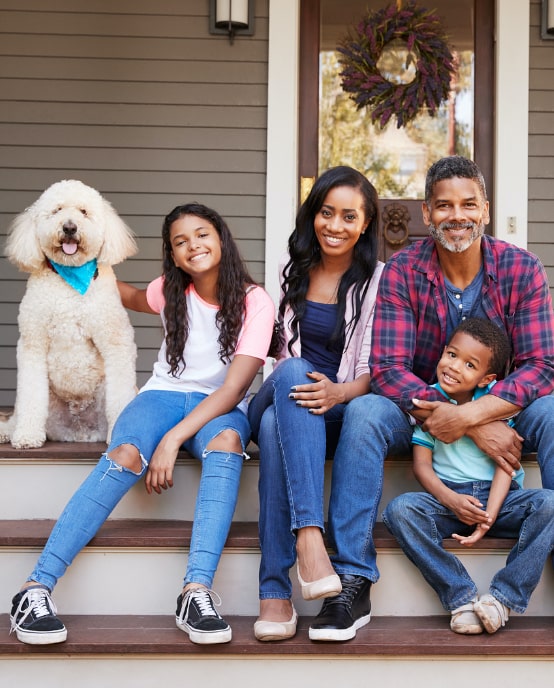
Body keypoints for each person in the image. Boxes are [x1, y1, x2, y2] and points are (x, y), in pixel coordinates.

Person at [9, 202, 275, 646]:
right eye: (180, 241)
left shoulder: (255, 300)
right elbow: (128, 296)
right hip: (160, 397)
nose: (194, 245)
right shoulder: (169, 290)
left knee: (228, 444)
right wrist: (80, 273)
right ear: (172, 255)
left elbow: (232, 390)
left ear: (222, 238)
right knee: (125, 454)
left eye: (202, 234)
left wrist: (173, 439)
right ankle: (35, 588)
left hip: (219, 406)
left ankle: (196, 591)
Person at [312, 155, 554, 640]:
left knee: (552, 411)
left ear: (485, 209)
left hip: (500, 408)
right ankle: (353, 577)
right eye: (444, 206)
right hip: (419, 413)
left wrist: (473, 415)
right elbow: (388, 370)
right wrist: (453, 416)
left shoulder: (521, 268)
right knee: (364, 411)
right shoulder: (403, 269)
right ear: (427, 214)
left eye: (468, 204)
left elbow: (540, 367)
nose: (457, 215)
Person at [247, 166, 383, 642]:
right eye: (327, 213)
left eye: (349, 216)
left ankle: (274, 593)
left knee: (269, 431)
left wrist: (339, 392)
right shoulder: (294, 270)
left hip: (336, 407)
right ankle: (310, 539)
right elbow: (271, 355)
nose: (335, 225)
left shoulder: (379, 282)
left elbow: (376, 370)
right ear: (313, 215)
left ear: (365, 225)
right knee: (289, 371)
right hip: (284, 392)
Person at [383, 317, 554, 634]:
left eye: (469, 364)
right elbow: (421, 465)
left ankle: (502, 599)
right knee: (400, 510)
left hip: (501, 501)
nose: (454, 367)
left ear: (485, 378)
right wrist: (450, 499)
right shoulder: (430, 402)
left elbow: (507, 463)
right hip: (449, 500)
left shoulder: (494, 405)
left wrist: (488, 516)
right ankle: (460, 596)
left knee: (550, 504)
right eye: (451, 355)